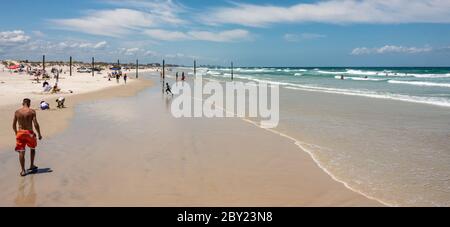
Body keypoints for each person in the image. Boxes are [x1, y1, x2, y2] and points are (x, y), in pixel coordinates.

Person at [12, 99, 43, 177]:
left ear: (22, 103)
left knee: (21, 151)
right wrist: (39, 134)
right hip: (30, 133)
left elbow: (13, 124)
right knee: (32, 148)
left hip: (20, 132)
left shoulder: (17, 112)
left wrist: (16, 132)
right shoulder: (32, 111)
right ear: (29, 104)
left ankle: (23, 171)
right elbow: (35, 123)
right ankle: (31, 165)